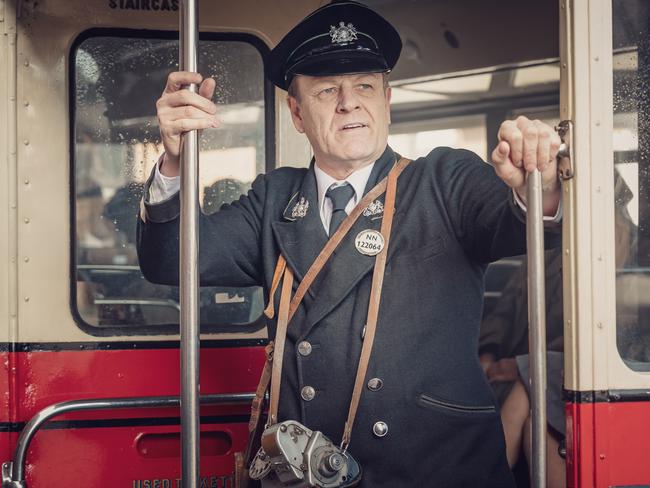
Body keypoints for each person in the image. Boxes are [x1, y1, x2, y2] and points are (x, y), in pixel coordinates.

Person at [137, 1, 562, 486]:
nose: (349, 102)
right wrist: (172, 158)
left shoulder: (445, 180)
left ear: (387, 100)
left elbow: (524, 220)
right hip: (305, 473)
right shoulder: (273, 199)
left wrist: (539, 182)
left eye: (364, 86)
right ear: (296, 113)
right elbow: (170, 259)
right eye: (326, 90)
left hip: (435, 470)